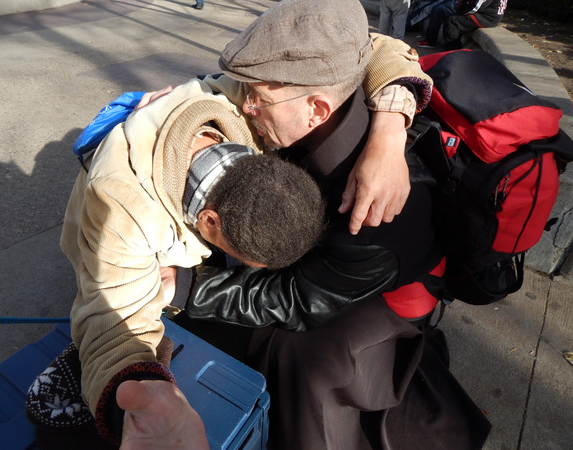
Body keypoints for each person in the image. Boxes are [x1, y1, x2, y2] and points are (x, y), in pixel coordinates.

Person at [107, 0, 492, 448]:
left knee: (299, 356)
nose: (245, 106)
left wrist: (190, 288)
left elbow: (298, 298)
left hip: (380, 294)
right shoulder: (315, 113)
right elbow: (374, 44)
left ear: (317, 110)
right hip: (331, 265)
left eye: (258, 98)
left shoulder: (374, 210)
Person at [26, 89, 325, 446]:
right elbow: (112, 322)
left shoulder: (240, 106)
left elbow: (364, 51)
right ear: (209, 221)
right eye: (240, 256)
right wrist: (136, 395)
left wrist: (389, 112)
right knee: (101, 293)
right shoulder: (120, 210)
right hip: (109, 240)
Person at [442, 0, 508, 50]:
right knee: (454, 18)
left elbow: (476, 7)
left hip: (486, 19)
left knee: (452, 21)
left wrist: (459, 12)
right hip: (491, 16)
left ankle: (453, 52)